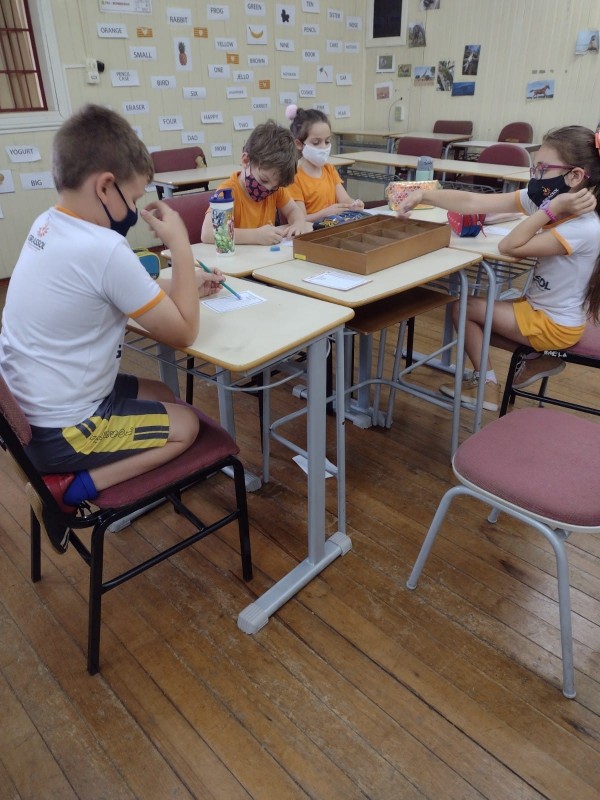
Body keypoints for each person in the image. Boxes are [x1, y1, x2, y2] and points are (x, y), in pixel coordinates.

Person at [0, 104, 225, 552]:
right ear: (105, 186)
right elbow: (184, 334)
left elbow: (113, 289)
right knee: (186, 424)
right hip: (63, 430)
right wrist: (180, 246)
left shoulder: (48, 224)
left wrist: (182, 285)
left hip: (34, 410)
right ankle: (70, 489)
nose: (135, 209)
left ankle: (104, 470)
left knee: (163, 392)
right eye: (134, 197)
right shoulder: (103, 248)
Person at [398, 124, 600, 412]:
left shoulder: (583, 226)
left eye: (542, 168)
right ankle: (537, 358)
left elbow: (510, 246)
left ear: (575, 176)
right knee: (474, 322)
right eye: (534, 168)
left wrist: (549, 211)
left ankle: (488, 387)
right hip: (540, 310)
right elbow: (473, 201)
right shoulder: (547, 201)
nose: (534, 176)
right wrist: (424, 195)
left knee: (464, 310)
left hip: (554, 324)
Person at [200, 120, 312, 246]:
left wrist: (298, 224)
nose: (268, 189)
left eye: (275, 186)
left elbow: (293, 210)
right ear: (246, 160)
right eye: (264, 180)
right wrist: (255, 236)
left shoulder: (275, 189)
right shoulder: (228, 192)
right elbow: (208, 233)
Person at [285, 104, 365, 224]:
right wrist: (324, 214)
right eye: (316, 142)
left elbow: (344, 199)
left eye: (327, 141)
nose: (323, 147)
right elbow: (299, 219)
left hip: (333, 227)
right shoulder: (295, 177)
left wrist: (354, 204)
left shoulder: (329, 169)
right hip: (312, 231)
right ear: (299, 144)